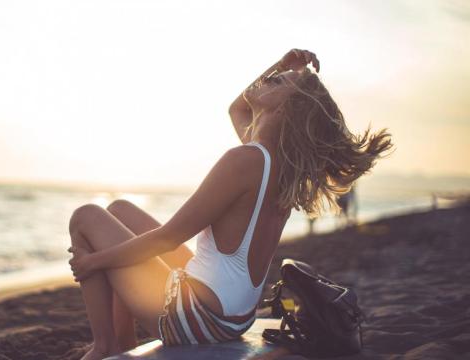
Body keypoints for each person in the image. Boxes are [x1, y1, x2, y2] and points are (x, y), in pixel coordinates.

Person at [67, 48, 393, 360]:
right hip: (232, 317)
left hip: (201, 319)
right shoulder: (273, 162)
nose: (269, 79)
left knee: (86, 217)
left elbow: (169, 238)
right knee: (120, 211)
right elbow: (237, 108)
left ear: (285, 110)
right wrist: (281, 64)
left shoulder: (244, 160)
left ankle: (105, 344)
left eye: (277, 81)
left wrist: (95, 262)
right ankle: (124, 342)